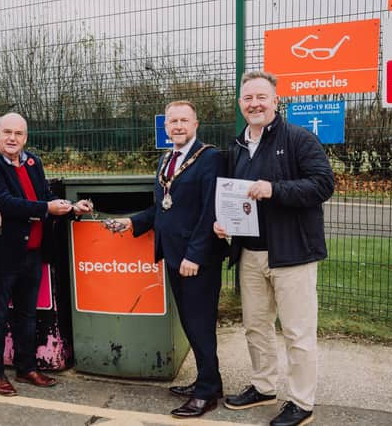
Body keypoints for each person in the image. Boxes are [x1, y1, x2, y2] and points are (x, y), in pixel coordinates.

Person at [214, 71, 334, 426]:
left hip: (292, 254)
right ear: (240, 104)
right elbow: (234, 197)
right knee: (255, 326)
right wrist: (225, 223)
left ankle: (301, 402)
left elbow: (323, 184)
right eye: (248, 98)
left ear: (275, 101)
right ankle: (264, 387)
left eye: (261, 97)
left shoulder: (298, 138)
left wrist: (275, 189)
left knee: (297, 333)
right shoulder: (236, 146)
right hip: (250, 254)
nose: (255, 104)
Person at [110, 100, 227, 418]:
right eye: (172, 121)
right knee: (191, 322)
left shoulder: (209, 158)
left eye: (184, 120)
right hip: (173, 255)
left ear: (196, 124)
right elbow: (163, 207)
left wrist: (195, 255)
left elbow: (210, 211)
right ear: (165, 127)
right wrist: (132, 222)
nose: (178, 126)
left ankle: (206, 393)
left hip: (195, 259)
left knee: (200, 323)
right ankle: (208, 380)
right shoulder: (167, 159)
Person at [0, 112, 91, 396]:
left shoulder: (33, 161)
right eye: (7, 133)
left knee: (28, 314)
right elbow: (3, 202)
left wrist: (70, 206)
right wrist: (45, 209)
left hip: (33, 251)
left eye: (19, 134)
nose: (13, 139)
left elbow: (44, 195)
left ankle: (27, 368)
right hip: (3, 253)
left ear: (26, 137)